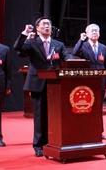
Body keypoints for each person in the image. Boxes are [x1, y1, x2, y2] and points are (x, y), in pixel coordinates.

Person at [14, 17, 71, 157]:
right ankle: (38, 145)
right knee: (40, 116)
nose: (47, 26)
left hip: (55, 85)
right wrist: (24, 34)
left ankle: (53, 141)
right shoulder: (32, 42)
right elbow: (18, 49)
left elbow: (67, 56)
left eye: (49, 24)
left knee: (54, 115)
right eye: (44, 24)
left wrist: (73, 60)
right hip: (37, 83)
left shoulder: (58, 44)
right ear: (37, 28)